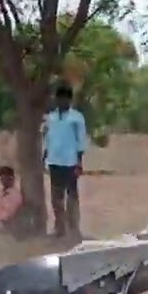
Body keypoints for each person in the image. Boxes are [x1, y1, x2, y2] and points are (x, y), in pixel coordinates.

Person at [42, 84, 89, 239]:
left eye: (65, 98)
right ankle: (59, 227)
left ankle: (73, 227)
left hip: (70, 161)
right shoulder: (50, 118)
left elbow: (81, 140)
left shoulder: (76, 117)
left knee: (72, 195)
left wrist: (79, 162)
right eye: (59, 98)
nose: (62, 101)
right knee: (56, 197)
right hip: (54, 161)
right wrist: (45, 157)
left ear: (69, 99)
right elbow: (47, 139)